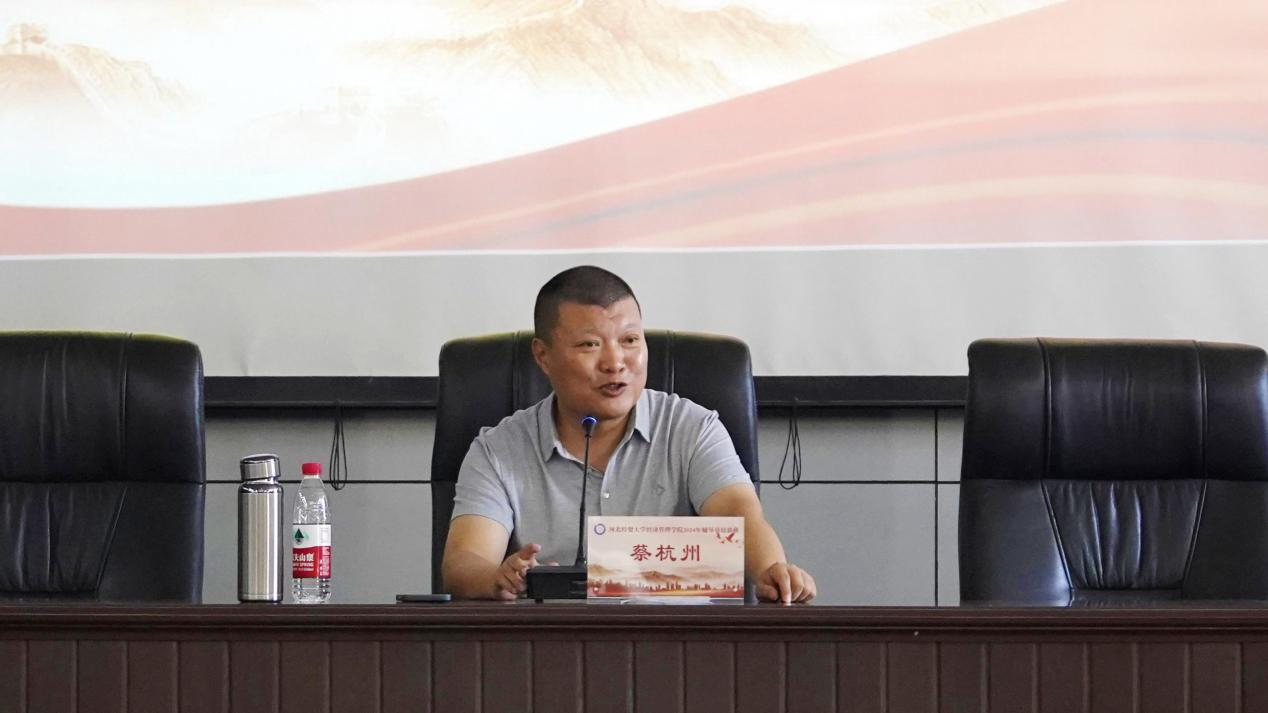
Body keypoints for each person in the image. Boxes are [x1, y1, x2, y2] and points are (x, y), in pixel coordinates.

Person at [442, 265, 816, 603]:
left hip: (677, 644)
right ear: (543, 356)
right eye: (590, 344)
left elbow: (739, 514)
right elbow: (464, 561)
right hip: (551, 645)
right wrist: (497, 578)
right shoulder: (498, 449)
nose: (615, 362)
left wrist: (771, 568)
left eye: (630, 340)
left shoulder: (692, 428)